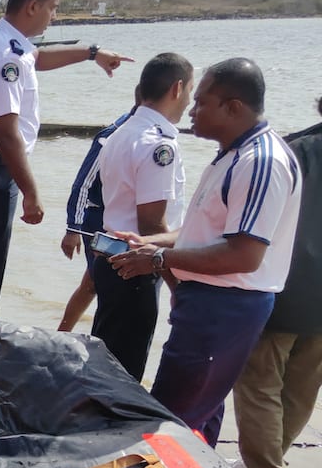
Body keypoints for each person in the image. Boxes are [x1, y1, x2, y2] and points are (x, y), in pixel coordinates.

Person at [111, 58, 302, 447]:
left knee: (174, 420)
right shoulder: (233, 154)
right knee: (199, 416)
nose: (191, 111)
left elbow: (243, 255)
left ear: (233, 108)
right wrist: (155, 242)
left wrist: (160, 259)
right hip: (208, 301)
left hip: (226, 305)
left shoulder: (260, 161)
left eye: (201, 103)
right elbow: (206, 229)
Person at [0, 0, 131, 320]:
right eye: (53, 8)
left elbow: (39, 58)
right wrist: (31, 191)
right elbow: (6, 132)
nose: (54, 16)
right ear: (32, 6)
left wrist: (92, 53)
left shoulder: (4, 41)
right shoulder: (7, 58)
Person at [233, 96, 322, 468]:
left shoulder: (288, 151)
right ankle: (268, 465)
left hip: (286, 285)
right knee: (304, 384)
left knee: (260, 381)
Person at [91, 53, 194, 380]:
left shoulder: (122, 132)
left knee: (106, 361)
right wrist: (176, 284)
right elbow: (151, 224)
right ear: (177, 88)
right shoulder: (158, 145)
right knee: (124, 369)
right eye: (191, 91)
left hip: (111, 257)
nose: (190, 101)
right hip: (136, 265)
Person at [57, 98, 139, 331]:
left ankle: (63, 334)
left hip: (116, 217)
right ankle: (93, 337)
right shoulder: (114, 134)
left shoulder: (144, 134)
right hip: (97, 218)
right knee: (102, 282)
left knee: (91, 282)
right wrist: (73, 228)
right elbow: (83, 183)